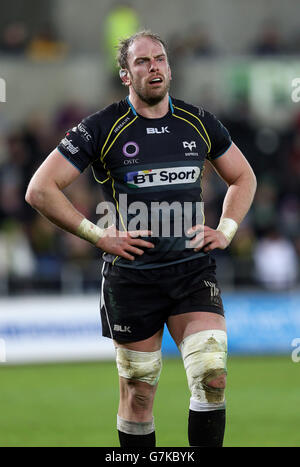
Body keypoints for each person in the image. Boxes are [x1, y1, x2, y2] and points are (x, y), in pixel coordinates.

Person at [25, 30, 257, 447]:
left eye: (160, 59)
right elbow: (40, 189)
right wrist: (98, 235)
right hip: (132, 278)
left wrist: (226, 229)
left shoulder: (199, 121)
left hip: (191, 270)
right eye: (142, 61)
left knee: (212, 375)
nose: (154, 67)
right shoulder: (101, 127)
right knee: (140, 392)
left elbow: (243, 177)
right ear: (125, 76)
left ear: (169, 67)